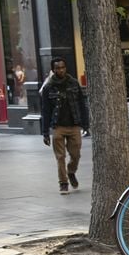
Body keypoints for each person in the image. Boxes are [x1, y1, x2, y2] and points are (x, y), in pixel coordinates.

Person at [41, 57, 89, 195]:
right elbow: (45, 110)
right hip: (58, 126)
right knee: (60, 156)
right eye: (57, 68)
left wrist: (85, 124)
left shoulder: (74, 83)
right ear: (53, 70)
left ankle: (71, 171)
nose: (60, 70)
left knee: (76, 155)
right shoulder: (49, 87)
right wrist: (45, 132)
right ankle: (63, 183)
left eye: (62, 67)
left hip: (74, 125)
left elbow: (82, 104)